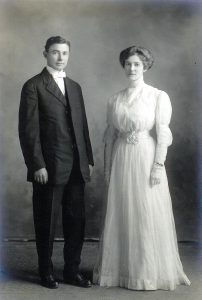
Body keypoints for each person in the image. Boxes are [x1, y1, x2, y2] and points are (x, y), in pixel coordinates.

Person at [93, 46, 190, 290]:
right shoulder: (115, 99)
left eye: (137, 64)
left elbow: (163, 134)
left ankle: (146, 272)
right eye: (128, 64)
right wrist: (107, 169)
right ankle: (122, 272)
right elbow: (110, 137)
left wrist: (158, 165)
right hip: (122, 157)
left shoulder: (158, 96)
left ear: (145, 66)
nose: (132, 68)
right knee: (123, 210)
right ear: (123, 66)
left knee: (145, 212)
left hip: (146, 156)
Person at [19, 36, 94, 289]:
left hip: (76, 167)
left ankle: (72, 271)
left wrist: (87, 160)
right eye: (55, 52)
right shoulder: (33, 85)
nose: (61, 57)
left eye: (64, 53)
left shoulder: (75, 86)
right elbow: (29, 131)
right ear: (45, 54)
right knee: (46, 221)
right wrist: (37, 164)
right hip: (49, 167)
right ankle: (46, 271)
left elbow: (81, 127)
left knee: (76, 222)